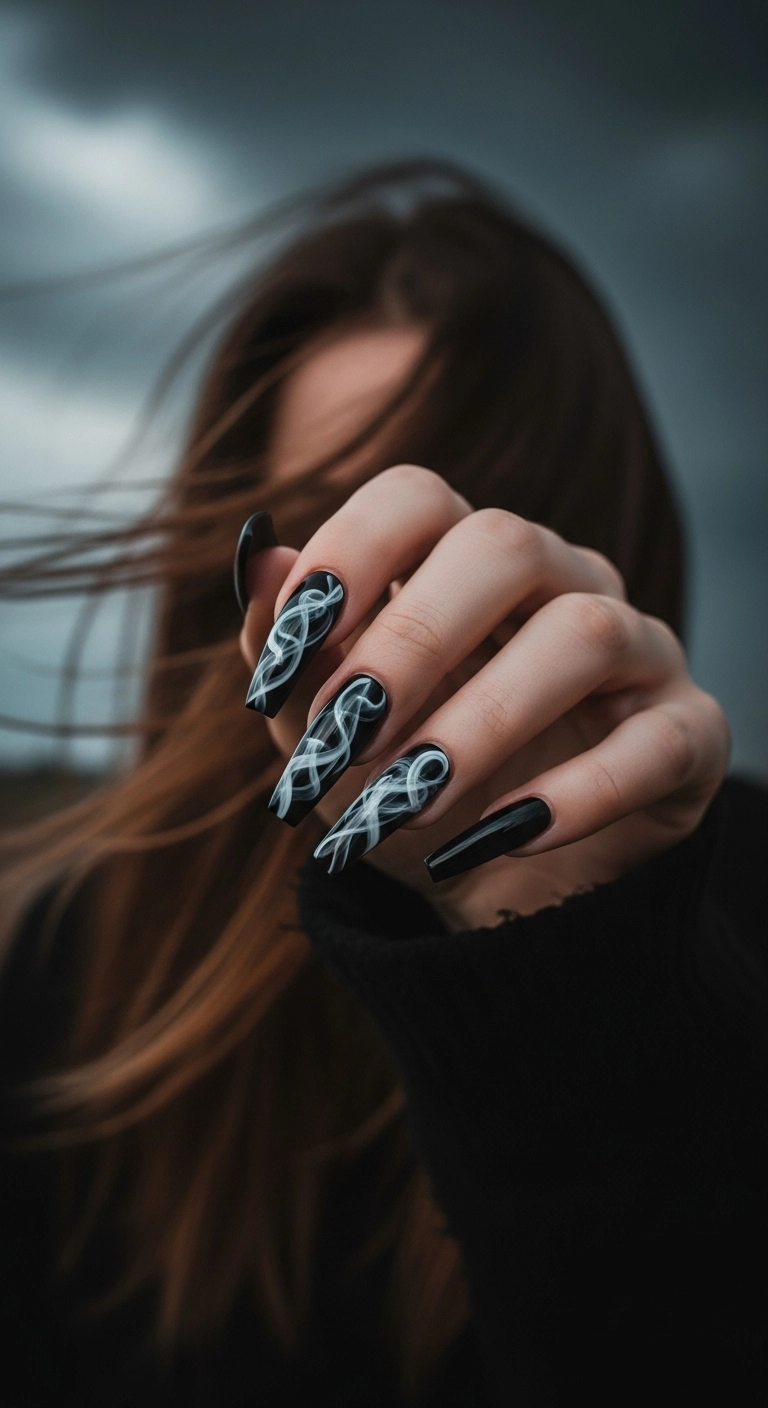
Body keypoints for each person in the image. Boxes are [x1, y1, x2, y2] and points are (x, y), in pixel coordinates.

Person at [0, 160, 765, 1406]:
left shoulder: (740, 918)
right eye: (330, 534)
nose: (412, 603)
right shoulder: (76, 979)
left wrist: (582, 961)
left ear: (602, 544)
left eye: (480, 530)